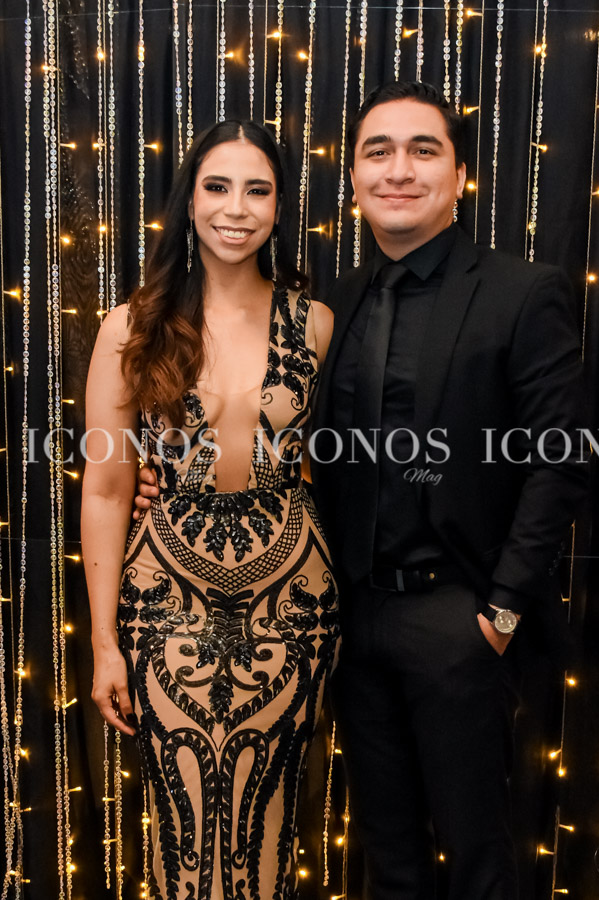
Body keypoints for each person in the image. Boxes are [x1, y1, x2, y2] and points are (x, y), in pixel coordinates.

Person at [135, 82, 587, 899]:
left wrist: (500, 611)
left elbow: (560, 460)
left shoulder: (521, 292)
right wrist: (165, 478)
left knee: (478, 857)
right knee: (386, 858)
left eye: (423, 150)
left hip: (458, 616)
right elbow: (289, 441)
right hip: (343, 619)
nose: (398, 170)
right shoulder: (326, 307)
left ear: (459, 176)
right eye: (378, 152)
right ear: (352, 178)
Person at [82, 119, 339, 900]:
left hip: (291, 603)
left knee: (267, 828)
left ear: (279, 207)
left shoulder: (315, 323)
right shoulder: (132, 326)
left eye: (257, 190)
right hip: (166, 598)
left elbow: (339, 464)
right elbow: (105, 488)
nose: (236, 208)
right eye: (217, 187)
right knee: (183, 831)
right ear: (189, 201)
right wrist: (104, 645)